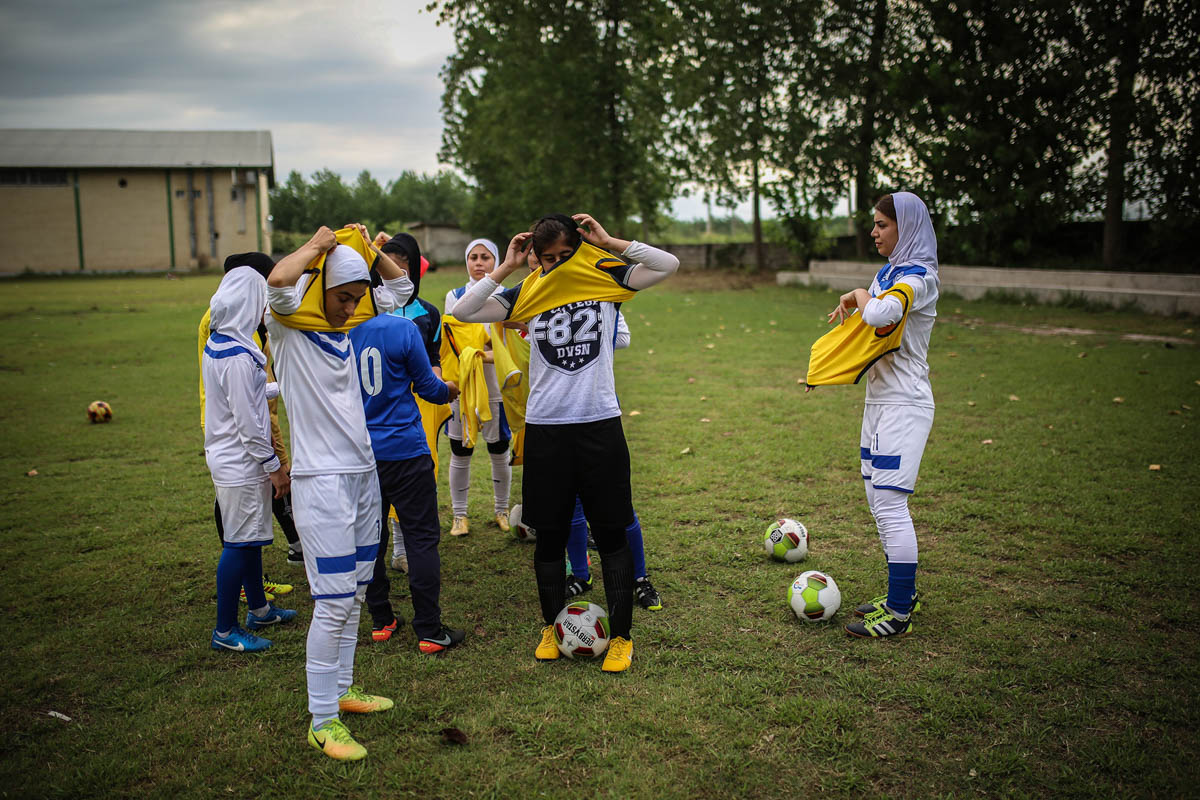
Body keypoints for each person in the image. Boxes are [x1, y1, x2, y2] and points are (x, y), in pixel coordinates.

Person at [452, 212, 679, 673]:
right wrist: (508, 265)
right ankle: (551, 628)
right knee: (549, 538)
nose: (556, 263)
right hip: (547, 429)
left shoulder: (605, 278)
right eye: (547, 256)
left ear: (578, 247)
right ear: (535, 254)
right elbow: (463, 311)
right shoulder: (529, 291)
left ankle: (621, 638)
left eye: (565, 254)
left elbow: (667, 264)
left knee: (612, 535)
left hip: (600, 425)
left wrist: (610, 241)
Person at [265, 225, 412, 761]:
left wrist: (367, 250)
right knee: (330, 603)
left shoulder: (350, 324)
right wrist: (321, 245)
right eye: (341, 297)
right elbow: (279, 279)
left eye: (354, 299)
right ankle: (321, 720)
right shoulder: (287, 324)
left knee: (354, 591)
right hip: (320, 481)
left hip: (362, 474)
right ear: (318, 284)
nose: (348, 307)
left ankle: (344, 689)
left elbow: (401, 292)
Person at [815, 192, 939, 638]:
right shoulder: (888, 272)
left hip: (905, 404)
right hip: (878, 402)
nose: (874, 232)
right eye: (875, 224)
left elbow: (883, 311)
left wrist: (862, 294)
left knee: (889, 504)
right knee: (876, 501)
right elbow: (871, 317)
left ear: (906, 229)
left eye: (883, 225)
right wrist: (859, 293)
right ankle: (901, 595)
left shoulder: (919, 278)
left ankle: (900, 613)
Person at [349, 292, 467, 653]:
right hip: (406, 450)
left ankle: (381, 619)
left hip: (363, 454)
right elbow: (430, 389)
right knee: (421, 539)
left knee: (371, 540)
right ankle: (429, 629)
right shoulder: (402, 327)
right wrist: (450, 389)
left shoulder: (341, 333)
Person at [202, 266, 296, 653]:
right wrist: (274, 468)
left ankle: (259, 609)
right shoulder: (238, 356)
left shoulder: (222, 341)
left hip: (232, 456)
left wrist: (289, 383)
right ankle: (225, 631)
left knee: (249, 540)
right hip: (241, 461)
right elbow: (249, 422)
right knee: (239, 544)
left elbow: (247, 393)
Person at [561, 311, 663, 612]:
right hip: (555, 415)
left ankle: (639, 577)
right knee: (571, 502)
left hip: (599, 412)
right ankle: (580, 573)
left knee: (618, 502)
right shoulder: (534, 294)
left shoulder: (597, 294)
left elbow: (623, 337)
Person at [374, 233, 449, 574]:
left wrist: (432, 379)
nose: (395, 277)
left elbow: (435, 357)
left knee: (420, 471)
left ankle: (407, 546)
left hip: (421, 402)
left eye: (402, 269)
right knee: (383, 480)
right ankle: (395, 549)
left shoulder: (429, 313)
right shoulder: (368, 308)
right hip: (380, 405)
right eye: (388, 268)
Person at [443, 238, 513, 536]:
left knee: (499, 449)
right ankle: (460, 515)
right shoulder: (455, 295)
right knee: (460, 449)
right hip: (464, 385)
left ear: (496, 261)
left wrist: (484, 353)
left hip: (496, 386)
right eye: (473, 257)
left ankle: (502, 510)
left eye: (486, 257)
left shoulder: (507, 296)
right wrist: (478, 354)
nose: (479, 262)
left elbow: (510, 347)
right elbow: (454, 341)